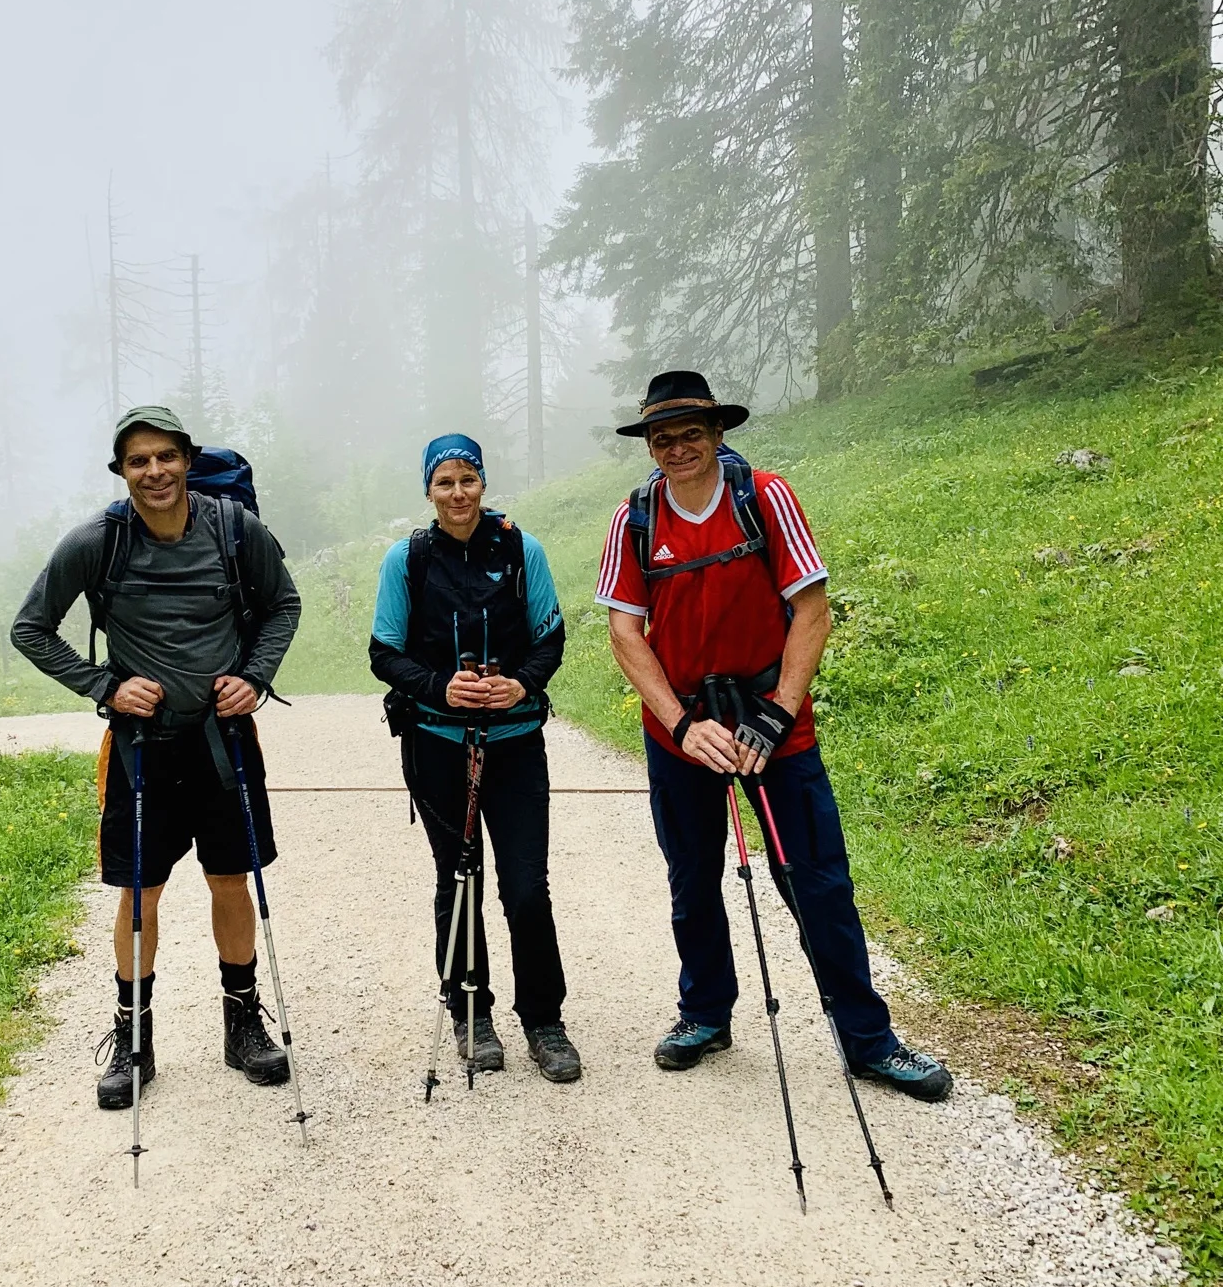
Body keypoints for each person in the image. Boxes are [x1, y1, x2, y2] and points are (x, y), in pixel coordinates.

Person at [596, 370, 951, 1100]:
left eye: (691, 433)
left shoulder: (765, 497)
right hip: (684, 732)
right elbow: (625, 632)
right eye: (662, 438)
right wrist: (682, 725)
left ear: (717, 433)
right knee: (693, 879)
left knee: (816, 882)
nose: (677, 448)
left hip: (772, 725)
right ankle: (705, 1015)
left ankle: (869, 1042)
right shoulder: (635, 518)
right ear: (650, 447)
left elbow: (812, 611)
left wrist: (779, 710)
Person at [12, 405, 302, 1109]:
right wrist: (105, 686)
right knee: (139, 893)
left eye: (166, 456)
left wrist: (255, 678)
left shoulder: (235, 530)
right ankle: (134, 1040)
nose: (154, 471)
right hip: (141, 748)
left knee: (230, 880)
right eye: (138, 461)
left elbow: (283, 606)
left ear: (187, 461)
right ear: (121, 471)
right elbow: (31, 628)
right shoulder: (97, 542)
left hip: (223, 740)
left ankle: (243, 1028)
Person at [369, 433, 581, 1083]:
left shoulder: (521, 549)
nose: (457, 493)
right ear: (428, 490)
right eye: (445, 482)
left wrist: (521, 684)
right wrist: (440, 687)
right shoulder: (408, 559)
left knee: (526, 888)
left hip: (515, 743)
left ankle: (544, 1021)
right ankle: (469, 1013)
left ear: (484, 483)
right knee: (459, 880)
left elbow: (550, 639)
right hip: (436, 743)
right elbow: (384, 652)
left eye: (468, 479)